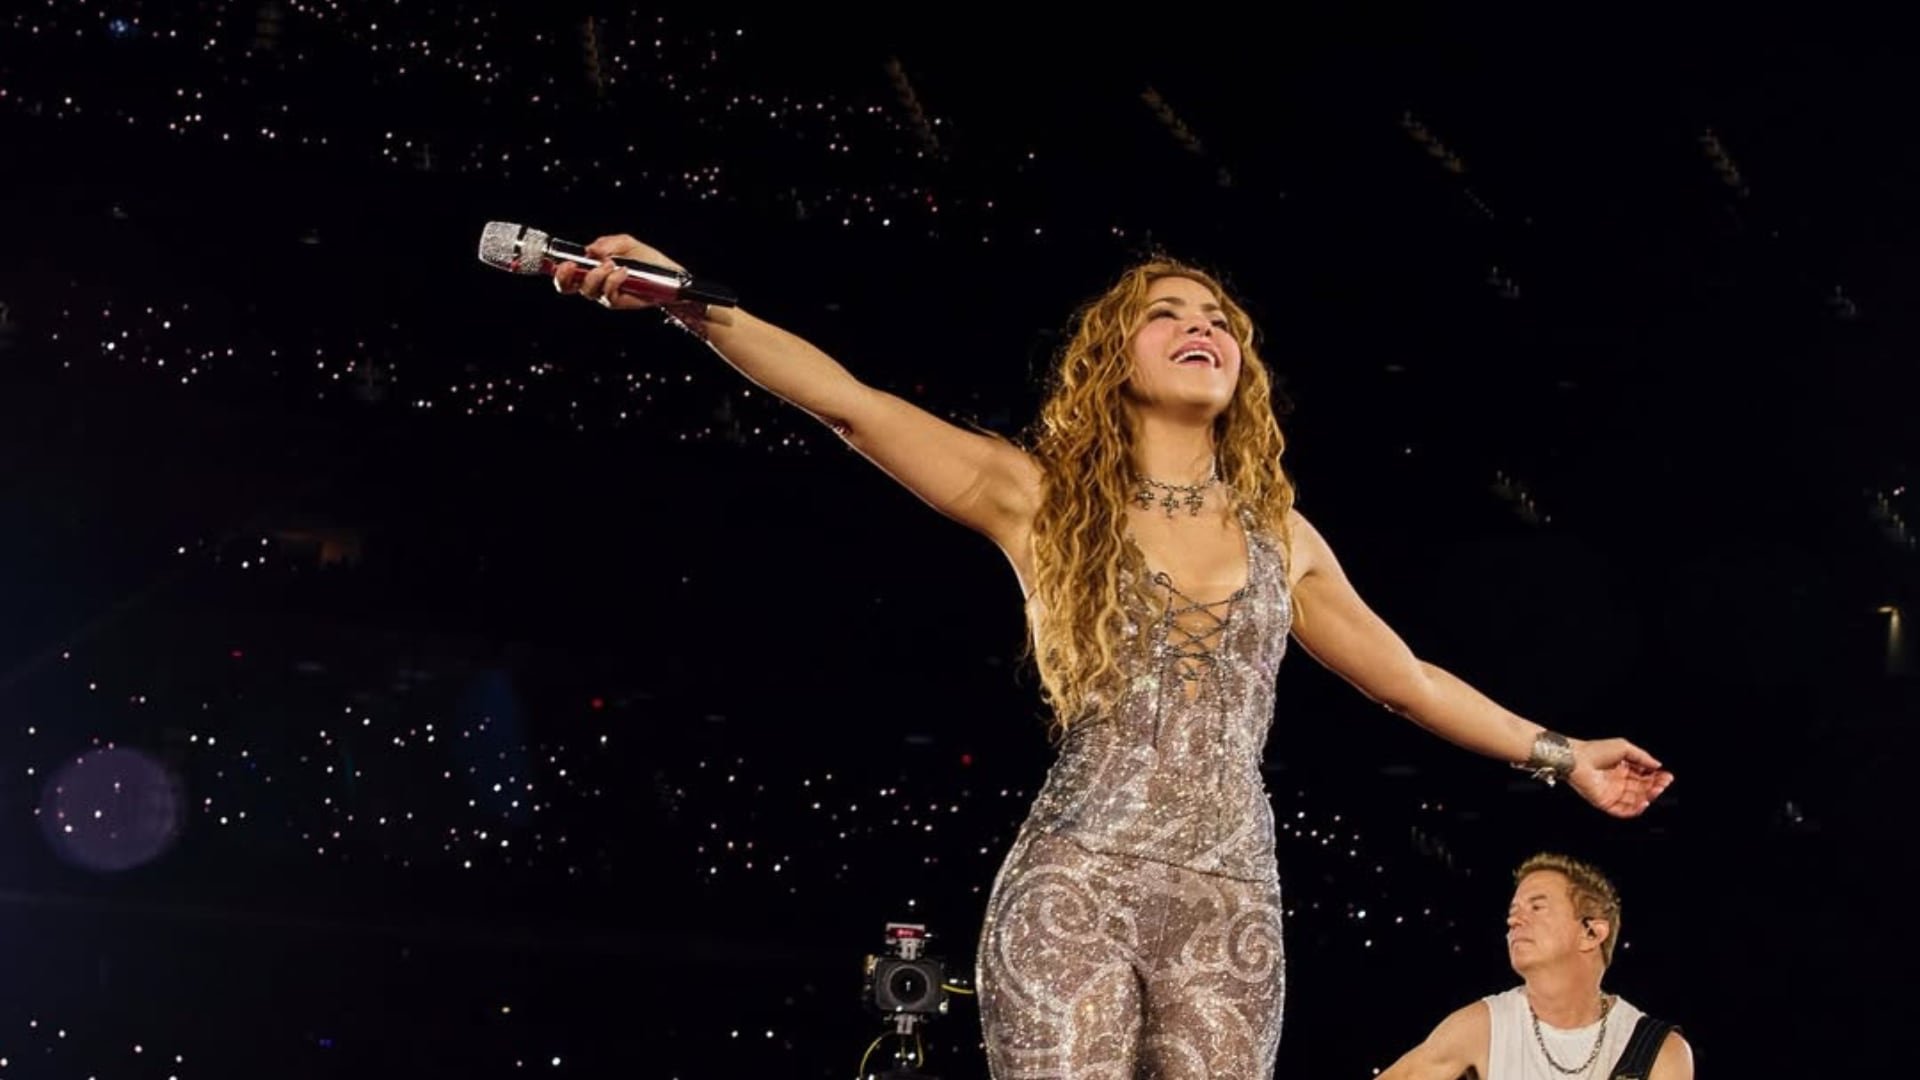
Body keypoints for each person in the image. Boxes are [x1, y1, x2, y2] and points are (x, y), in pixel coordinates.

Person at [550, 239, 1676, 1079]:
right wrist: (690, 303)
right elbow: (849, 404)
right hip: (1078, 883)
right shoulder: (1034, 496)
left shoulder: (1282, 536)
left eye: (1219, 318)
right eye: (1167, 314)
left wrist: (1563, 753)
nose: (1203, 326)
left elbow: (1409, 679)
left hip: (1231, 901)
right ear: (1111, 358)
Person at [1375, 852, 1693, 1080]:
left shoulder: (1659, 1050)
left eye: (1537, 906)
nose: (1514, 919)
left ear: (1592, 932)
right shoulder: (1481, 1028)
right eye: (1513, 911)